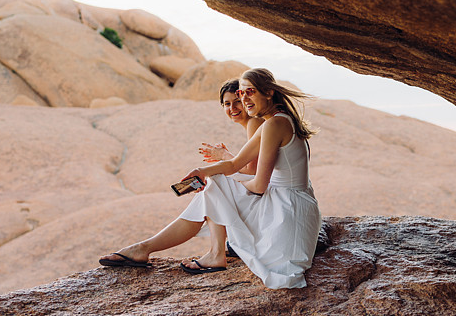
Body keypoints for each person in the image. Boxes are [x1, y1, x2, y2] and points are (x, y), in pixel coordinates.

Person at [99, 68, 322, 289]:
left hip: (286, 214)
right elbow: (235, 164)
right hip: (289, 205)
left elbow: (259, 184)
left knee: (217, 186)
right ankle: (149, 248)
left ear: (268, 92)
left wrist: (226, 186)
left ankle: (207, 253)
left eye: (249, 92)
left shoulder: (274, 124)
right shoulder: (274, 121)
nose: (244, 100)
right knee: (215, 182)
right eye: (241, 94)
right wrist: (202, 171)